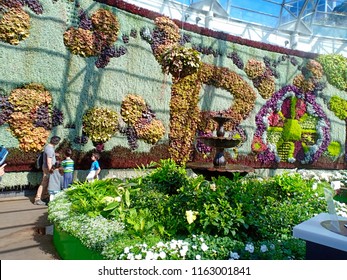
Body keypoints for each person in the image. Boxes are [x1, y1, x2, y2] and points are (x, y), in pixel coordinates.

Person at [34, 135, 61, 205]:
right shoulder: (50, 149)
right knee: (44, 183)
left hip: (46, 167)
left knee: (47, 183)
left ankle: (44, 197)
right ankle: (38, 199)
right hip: (48, 169)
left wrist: (55, 155)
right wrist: (50, 170)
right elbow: (49, 161)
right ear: (56, 142)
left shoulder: (48, 147)